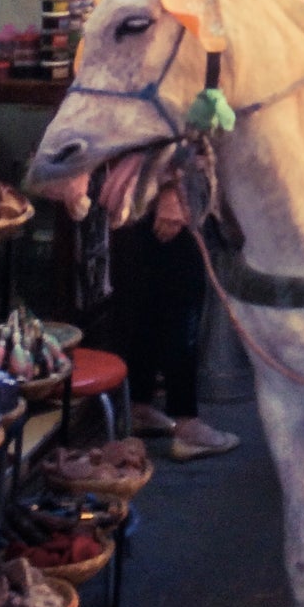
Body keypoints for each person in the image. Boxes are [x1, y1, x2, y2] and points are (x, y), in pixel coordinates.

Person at [112, 182, 240, 461]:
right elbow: (173, 140)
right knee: (181, 298)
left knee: (150, 294)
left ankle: (140, 406)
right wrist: (173, 196)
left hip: (144, 193)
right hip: (166, 188)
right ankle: (187, 426)